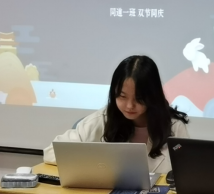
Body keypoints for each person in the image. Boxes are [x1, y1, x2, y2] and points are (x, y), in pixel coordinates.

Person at [43, 55, 189, 173]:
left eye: (139, 98)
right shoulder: (100, 120)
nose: (129, 106)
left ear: (152, 95)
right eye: (122, 96)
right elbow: (51, 152)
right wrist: (94, 162)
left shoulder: (174, 127)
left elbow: (188, 168)